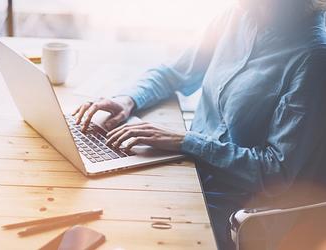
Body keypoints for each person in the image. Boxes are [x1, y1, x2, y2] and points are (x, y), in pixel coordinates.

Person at [73, 0, 326, 249]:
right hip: (188, 169)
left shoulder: (313, 57)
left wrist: (185, 141)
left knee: (122, 228)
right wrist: (128, 100)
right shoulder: (235, 15)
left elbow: (275, 172)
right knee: (98, 196)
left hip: (233, 203)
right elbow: (174, 72)